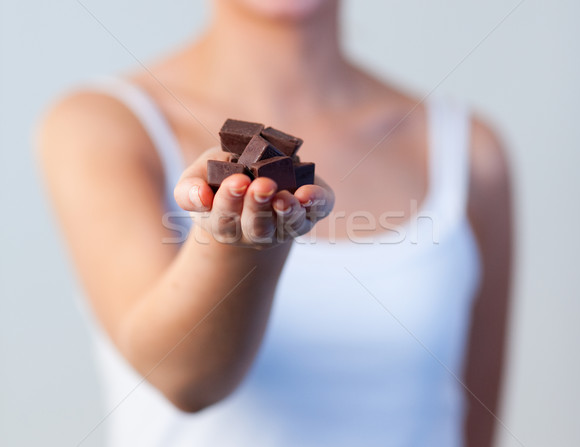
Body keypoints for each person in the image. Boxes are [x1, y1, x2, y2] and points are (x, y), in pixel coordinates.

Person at [37, 0, 512, 446]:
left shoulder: (466, 149)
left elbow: (474, 423)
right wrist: (239, 241)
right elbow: (185, 381)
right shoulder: (103, 125)